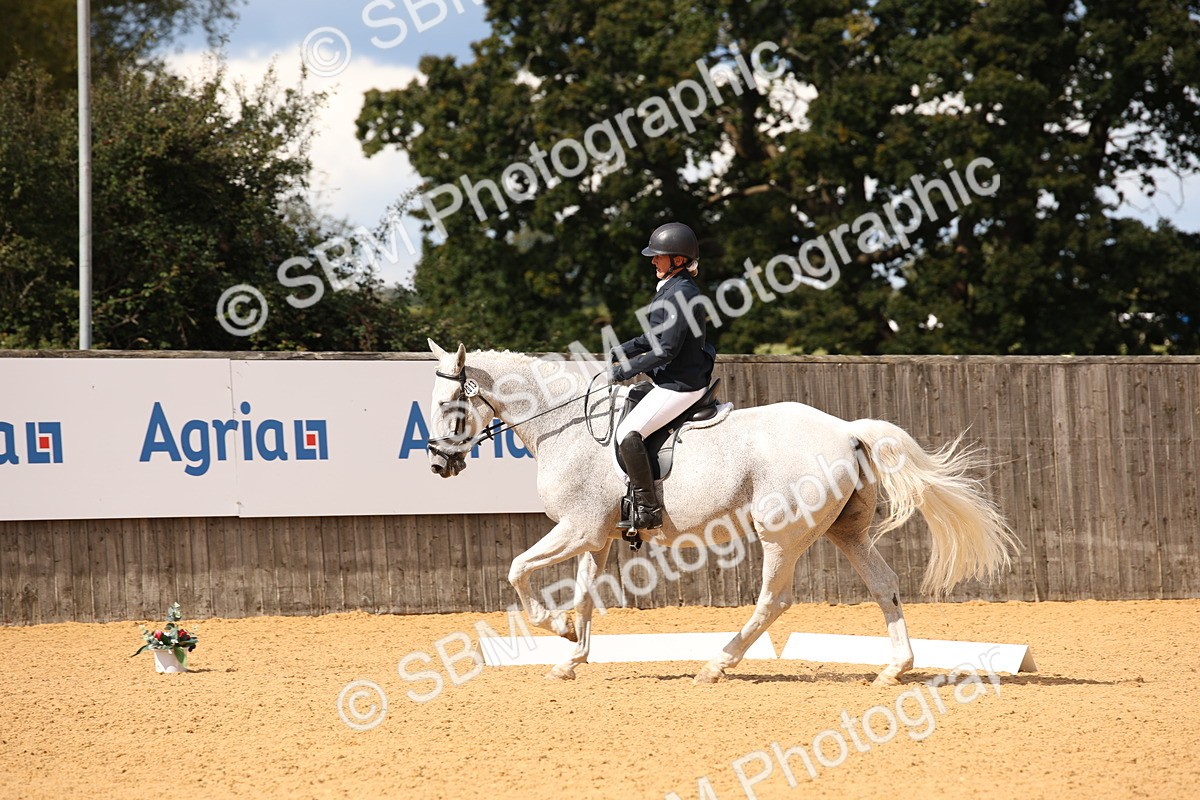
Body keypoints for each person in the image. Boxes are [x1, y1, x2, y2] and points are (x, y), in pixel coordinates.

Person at [608, 222, 716, 530]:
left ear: (678, 260)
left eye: (659, 256)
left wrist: (624, 370)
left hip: (681, 384)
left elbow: (666, 350)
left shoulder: (680, 294)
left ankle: (648, 509)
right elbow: (651, 338)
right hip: (670, 378)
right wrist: (618, 351)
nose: (653, 261)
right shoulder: (672, 289)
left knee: (627, 434)